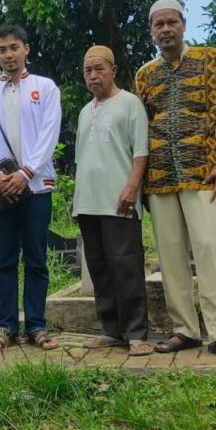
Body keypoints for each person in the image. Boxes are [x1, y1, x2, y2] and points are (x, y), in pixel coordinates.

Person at [136, 0, 216, 360]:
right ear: (152, 32)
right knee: (170, 257)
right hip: (161, 179)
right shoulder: (144, 75)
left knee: (210, 252)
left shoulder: (211, 58)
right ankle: (184, 329)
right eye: (159, 25)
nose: (166, 29)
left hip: (205, 175)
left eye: (172, 22)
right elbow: (140, 128)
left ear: (183, 24)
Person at [0, 25, 61, 351]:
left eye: (14, 48)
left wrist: (25, 172)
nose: (8, 55)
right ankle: (6, 326)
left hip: (36, 187)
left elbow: (49, 134)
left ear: (27, 49)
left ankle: (36, 326)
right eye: (1, 49)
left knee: (36, 258)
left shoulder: (46, 88)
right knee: (4, 260)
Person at [73, 46, 152, 356]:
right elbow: (81, 159)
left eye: (98, 69)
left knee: (127, 266)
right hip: (88, 203)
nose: (93, 75)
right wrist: (76, 198)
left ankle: (136, 333)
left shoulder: (130, 104)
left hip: (120, 202)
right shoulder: (84, 111)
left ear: (113, 70)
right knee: (100, 268)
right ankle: (112, 330)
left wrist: (132, 188)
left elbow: (140, 151)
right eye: (87, 71)